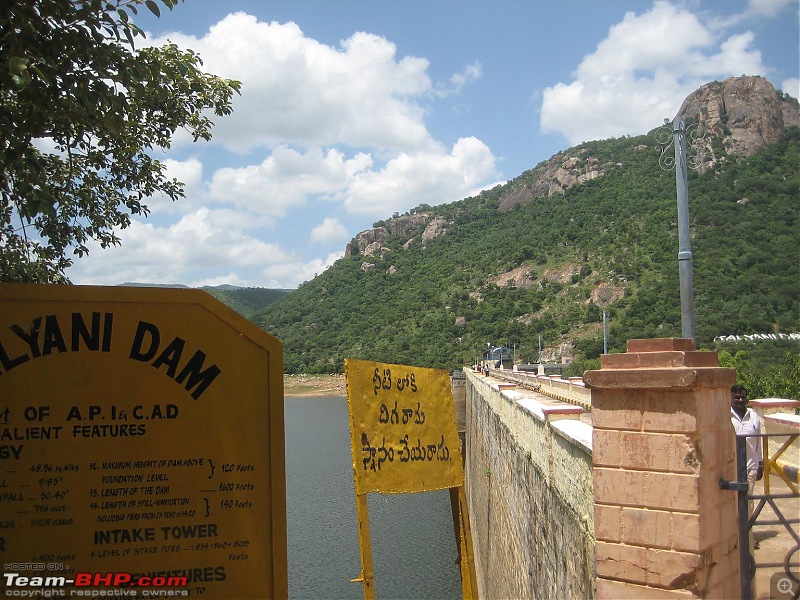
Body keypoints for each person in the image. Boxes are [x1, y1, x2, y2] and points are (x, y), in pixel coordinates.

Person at [730, 384, 763, 549]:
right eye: (736, 397)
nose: (740, 400)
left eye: (742, 397)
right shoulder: (726, 417)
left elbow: (758, 441)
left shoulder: (754, 416)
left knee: (747, 502)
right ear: (731, 398)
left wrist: (761, 463)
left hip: (750, 466)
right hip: (731, 467)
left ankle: (748, 538)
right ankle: (733, 536)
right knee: (732, 503)